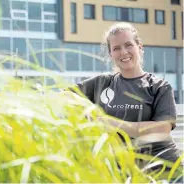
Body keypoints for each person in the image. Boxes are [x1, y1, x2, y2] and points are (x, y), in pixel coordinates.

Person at [72, 22, 183, 182]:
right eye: (116, 48)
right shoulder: (101, 83)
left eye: (128, 45)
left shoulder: (159, 86)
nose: (123, 52)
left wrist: (111, 123)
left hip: (165, 172)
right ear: (111, 54)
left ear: (140, 47)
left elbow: (162, 128)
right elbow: (64, 96)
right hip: (123, 175)